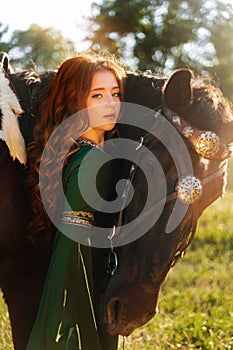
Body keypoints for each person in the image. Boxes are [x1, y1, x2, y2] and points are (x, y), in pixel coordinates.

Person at [26, 52, 126, 350]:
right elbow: (71, 253)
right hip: (87, 297)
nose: (111, 103)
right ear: (75, 102)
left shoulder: (78, 152)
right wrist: (70, 326)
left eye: (116, 93)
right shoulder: (95, 161)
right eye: (98, 95)